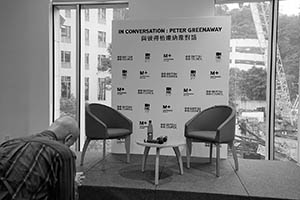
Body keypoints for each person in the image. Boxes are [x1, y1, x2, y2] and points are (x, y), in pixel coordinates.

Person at [0, 116, 83, 200]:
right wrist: (72, 183)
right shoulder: (63, 153)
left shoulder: (9, 144)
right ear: (68, 139)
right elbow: (66, 197)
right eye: (70, 145)